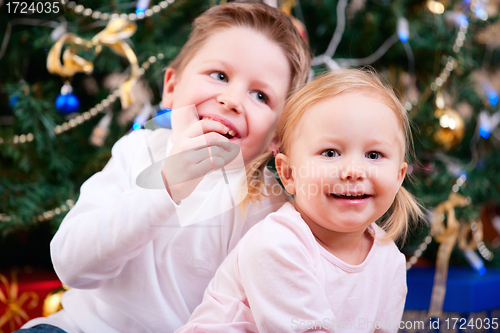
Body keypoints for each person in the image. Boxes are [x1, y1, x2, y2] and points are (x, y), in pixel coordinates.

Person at [19, 2, 311, 332]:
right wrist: (166, 186)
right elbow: (71, 265)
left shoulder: (268, 207)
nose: (232, 99)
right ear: (171, 88)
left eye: (260, 95)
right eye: (219, 75)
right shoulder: (139, 151)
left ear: (277, 137)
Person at [176, 69, 425, 333]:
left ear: (399, 177)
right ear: (288, 173)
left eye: (374, 155)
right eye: (330, 152)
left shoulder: (390, 261)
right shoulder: (276, 244)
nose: (354, 170)